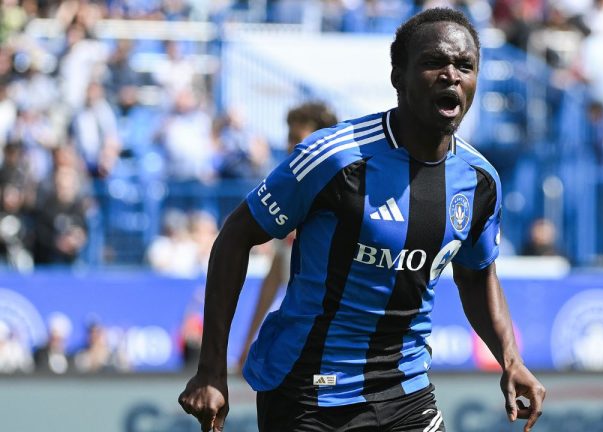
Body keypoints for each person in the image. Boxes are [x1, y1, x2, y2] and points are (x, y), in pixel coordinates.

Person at [178, 8, 545, 432]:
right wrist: (211, 368)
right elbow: (236, 235)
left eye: (465, 66)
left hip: (405, 389)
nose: (451, 75)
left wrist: (511, 359)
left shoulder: (480, 181)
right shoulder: (336, 158)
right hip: (307, 392)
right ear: (397, 76)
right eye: (433, 63)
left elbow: (477, 275)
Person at [237, 101, 339, 369]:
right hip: (302, 341)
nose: (289, 147)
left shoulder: (344, 196)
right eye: (289, 138)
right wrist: (247, 341)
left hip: (336, 344)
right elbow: (275, 276)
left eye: (296, 139)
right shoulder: (292, 196)